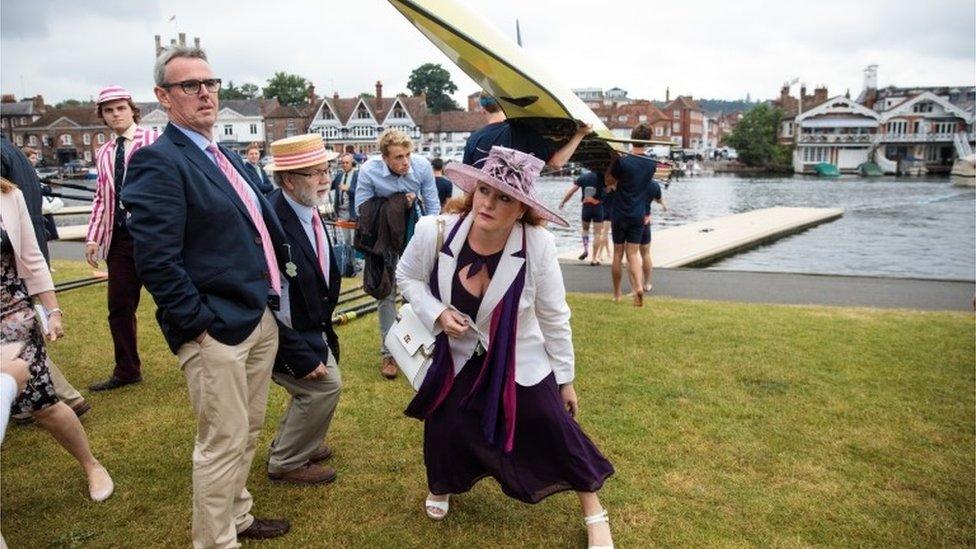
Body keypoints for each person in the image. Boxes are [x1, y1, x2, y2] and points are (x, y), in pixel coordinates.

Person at [396, 146, 615, 549]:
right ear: (473, 191)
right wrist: (438, 312)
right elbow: (406, 277)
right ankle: (442, 484)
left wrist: (565, 379)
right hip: (457, 355)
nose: (489, 203)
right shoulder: (435, 230)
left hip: (519, 355)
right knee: (445, 423)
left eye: (504, 198)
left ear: (521, 210)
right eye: (484, 191)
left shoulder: (537, 245)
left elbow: (553, 315)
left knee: (553, 423)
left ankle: (593, 509)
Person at [121, 45, 290, 546]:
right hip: (214, 328)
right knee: (221, 441)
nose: (205, 94)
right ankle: (215, 540)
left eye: (211, 84)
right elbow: (155, 259)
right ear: (163, 97)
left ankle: (237, 515)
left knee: (248, 430)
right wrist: (196, 323)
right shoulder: (158, 161)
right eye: (190, 85)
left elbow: (253, 229)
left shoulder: (224, 156)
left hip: (256, 316)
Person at [0, 176, 114, 502]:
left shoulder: (9, 195)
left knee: (42, 402)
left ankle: (91, 464)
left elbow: (32, 257)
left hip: (11, 314)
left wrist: (52, 312)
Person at [263, 134, 343, 485]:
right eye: (315, 173)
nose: (326, 179)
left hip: (312, 325)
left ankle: (300, 443)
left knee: (323, 386)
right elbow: (265, 299)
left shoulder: (306, 207)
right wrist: (294, 350)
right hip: (286, 332)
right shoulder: (270, 221)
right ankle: (286, 460)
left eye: (327, 170)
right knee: (322, 388)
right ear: (289, 180)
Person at [1, 136, 90, 423]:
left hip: (15, 277)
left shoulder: (7, 181)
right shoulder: (13, 151)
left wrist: (53, 310)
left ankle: (44, 398)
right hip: (25, 257)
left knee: (27, 357)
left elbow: (26, 242)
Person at [85, 86, 159, 392]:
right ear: (102, 115)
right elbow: (102, 198)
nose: (115, 114)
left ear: (132, 110)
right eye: (109, 110)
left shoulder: (154, 140)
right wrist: (93, 238)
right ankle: (127, 369)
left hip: (153, 237)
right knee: (119, 307)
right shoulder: (103, 152)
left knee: (173, 301)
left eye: (120, 108)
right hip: (119, 240)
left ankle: (206, 358)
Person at [355, 129, 440, 380]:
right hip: (384, 239)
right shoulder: (369, 171)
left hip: (414, 234)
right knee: (386, 294)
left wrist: (432, 239)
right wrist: (397, 202)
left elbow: (433, 205)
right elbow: (362, 210)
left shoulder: (422, 166)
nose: (405, 162)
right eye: (398, 157)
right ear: (385, 158)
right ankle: (388, 353)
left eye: (408, 155)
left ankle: (417, 349)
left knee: (417, 294)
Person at [605, 124, 660, 307]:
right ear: (648, 140)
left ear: (632, 137)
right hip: (639, 213)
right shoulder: (651, 164)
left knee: (618, 254)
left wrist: (613, 161)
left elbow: (609, 181)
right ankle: (638, 286)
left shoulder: (623, 161)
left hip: (620, 212)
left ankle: (617, 294)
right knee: (634, 254)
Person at [462, 93, 591, 170]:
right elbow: (556, 163)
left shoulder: (473, 139)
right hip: (514, 209)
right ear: (504, 106)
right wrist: (580, 134)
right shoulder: (524, 131)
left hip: (483, 208)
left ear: (483, 110)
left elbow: (467, 183)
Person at [558, 169, 607, 265]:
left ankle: (585, 249)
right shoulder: (603, 177)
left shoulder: (583, 177)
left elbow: (572, 191)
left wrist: (563, 201)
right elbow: (609, 190)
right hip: (598, 207)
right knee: (597, 233)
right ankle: (594, 258)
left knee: (585, 230)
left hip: (586, 208)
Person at [638, 181, 667, 293]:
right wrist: (663, 203)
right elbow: (658, 199)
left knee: (631, 253)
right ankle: (647, 283)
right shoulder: (654, 185)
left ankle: (636, 284)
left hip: (630, 219)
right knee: (645, 253)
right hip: (645, 220)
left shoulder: (629, 179)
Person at [332, 153, 358, 244]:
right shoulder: (339, 176)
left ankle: (353, 258)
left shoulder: (357, 175)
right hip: (341, 212)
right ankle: (347, 258)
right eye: (343, 163)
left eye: (347, 163)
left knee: (353, 240)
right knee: (344, 240)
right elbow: (330, 186)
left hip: (352, 212)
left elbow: (360, 194)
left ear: (352, 163)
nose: (345, 165)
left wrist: (348, 189)